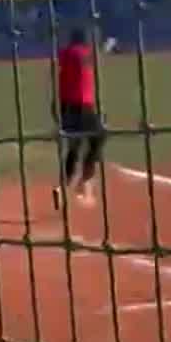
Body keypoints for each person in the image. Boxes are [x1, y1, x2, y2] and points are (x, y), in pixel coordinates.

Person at [53, 26, 105, 209]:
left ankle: (62, 187)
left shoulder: (64, 54)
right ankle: (84, 182)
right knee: (98, 137)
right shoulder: (82, 53)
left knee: (74, 148)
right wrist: (105, 46)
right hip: (82, 106)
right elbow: (92, 58)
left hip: (66, 108)